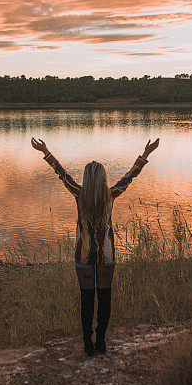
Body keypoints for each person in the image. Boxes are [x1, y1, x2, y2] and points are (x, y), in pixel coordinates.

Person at [31, 137, 160, 356]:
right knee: (105, 297)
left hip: (83, 255)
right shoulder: (111, 194)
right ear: (102, 178)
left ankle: (87, 343)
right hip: (106, 254)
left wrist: (45, 151)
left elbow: (61, 173)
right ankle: (101, 340)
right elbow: (130, 176)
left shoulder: (78, 193)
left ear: (86, 178)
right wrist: (146, 154)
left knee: (87, 299)